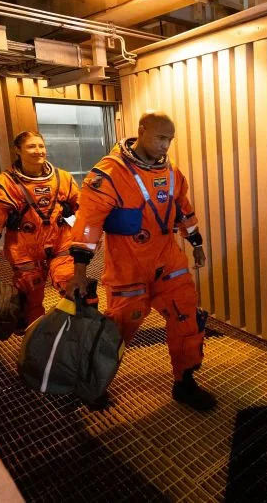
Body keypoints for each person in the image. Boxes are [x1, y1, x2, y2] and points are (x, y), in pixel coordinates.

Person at [65, 111, 215, 411]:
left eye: (170, 140)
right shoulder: (109, 174)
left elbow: (183, 210)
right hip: (128, 268)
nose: (165, 146)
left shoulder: (172, 174)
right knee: (118, 329)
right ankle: (94, 382)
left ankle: (184, 382)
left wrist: (196, 243)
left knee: (187, 318)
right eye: (160, 138)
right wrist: (79, 271)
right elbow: (88, 223)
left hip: (168, 261)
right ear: (142, 130)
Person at [0, 131, 79, 327]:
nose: (38, 151)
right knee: (29, 297)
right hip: (25, 249)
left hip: (61, 242)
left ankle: (75, 330)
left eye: (41, 146)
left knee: (73, 285)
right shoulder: (4, 185)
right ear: (18, 150)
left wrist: (72, 221)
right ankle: (35, 335)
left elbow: (79, 210)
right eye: (31, 146)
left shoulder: (63, 179)